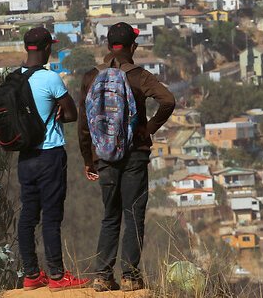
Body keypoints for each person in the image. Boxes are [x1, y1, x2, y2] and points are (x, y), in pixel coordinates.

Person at [79, 22, 176, 292]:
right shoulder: (139, 76)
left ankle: (102, 275)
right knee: (133, 214)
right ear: (133, 47)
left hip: (105, 158)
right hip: (135, 155)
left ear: (110, 46)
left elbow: (84, 126)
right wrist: (148, 129)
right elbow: (167, 100)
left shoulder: (91, 77)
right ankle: (131, 277)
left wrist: (89, 159)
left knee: (110, 216)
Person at [16, 27, 90, 291]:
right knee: (51, 216)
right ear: (47, 48)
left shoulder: (13, 79)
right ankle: (57, 276)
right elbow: (71, 115)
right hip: (50, 155)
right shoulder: (51, 79)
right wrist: (58, 108)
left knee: (28, 215)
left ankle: (31, 275)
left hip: (25, 157)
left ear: (27, 48)